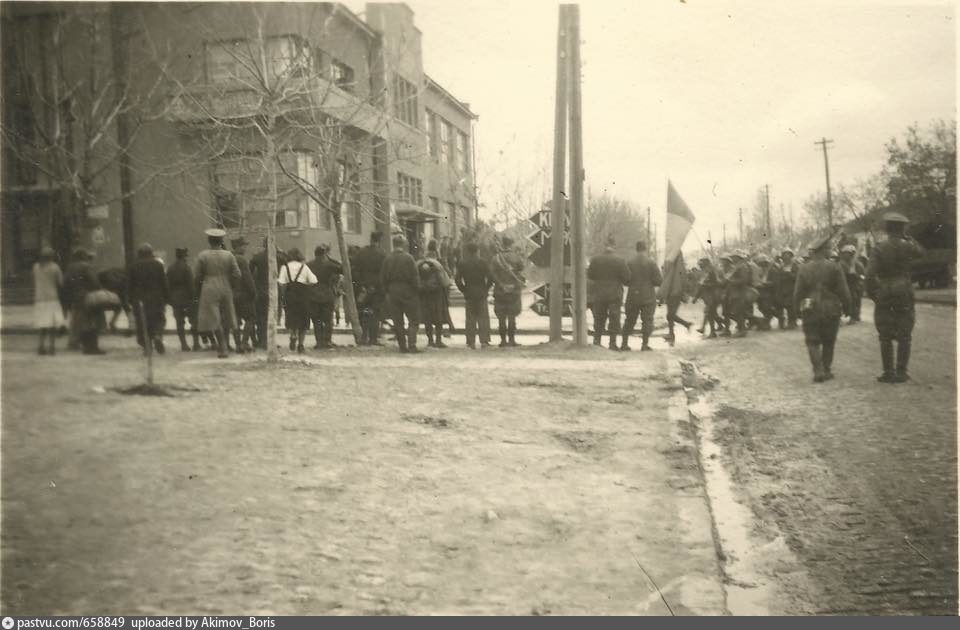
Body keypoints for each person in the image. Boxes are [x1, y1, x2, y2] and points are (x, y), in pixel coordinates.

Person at [865, 212, 924, 383]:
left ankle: (888, 372)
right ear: (902, 229)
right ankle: (902, 371)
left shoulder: (879, 248)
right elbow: (922, 252)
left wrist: (873, 294)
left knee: (885, 334)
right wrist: (909, 238)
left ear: (887, 228)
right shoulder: (908, 245)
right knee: (905, 333)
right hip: (904, 291)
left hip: (885, 291)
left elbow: (869, 275)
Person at [794, 234, 851, 383]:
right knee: (829, 340)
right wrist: (848, 306)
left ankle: (818, 370)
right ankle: (826, 369)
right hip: (831, 307)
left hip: (810, 307)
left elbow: (798, 292)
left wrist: (796, 310)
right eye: (828, 248)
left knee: (812, 340)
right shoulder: (834, 267)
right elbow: (843, 290)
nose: (830, 251)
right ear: (824, 250)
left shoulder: (803, 268)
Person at [195, 228, 241, 358]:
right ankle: (226, 343)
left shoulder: (203, 255)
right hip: (225, 285)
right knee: (227, 315)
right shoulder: (229, 255)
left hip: (209, 285)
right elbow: (237, 274)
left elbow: (197, 275)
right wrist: (232, 286)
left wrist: (199, 289)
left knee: (213, 317)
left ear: (209, 240)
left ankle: (222, 347)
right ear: (221, 241)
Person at [380, 235, 422, 353]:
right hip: (408, 290)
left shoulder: (388, 259)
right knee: (413, 319)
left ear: (394, 244)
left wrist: (387, 291)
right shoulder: (409, 258)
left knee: (398, 320)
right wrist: (417, 289)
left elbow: (382, 278)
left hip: (393, 291)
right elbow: (414, 276)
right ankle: (412, 345)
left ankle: (402, 346)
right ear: (403, 244)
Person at [587, 238, 630, 350]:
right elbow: (627, 278)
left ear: (604, 245)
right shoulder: (620, 260)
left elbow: (590, 275)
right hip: (614, 294)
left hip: (599, 293)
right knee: (614, 318)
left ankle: (597, 341)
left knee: (599, 317)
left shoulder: (595, 260)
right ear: (614, 246)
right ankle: (612, 343)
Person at [127, 242, 170, 355]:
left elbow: (130, 285)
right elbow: (163, 283)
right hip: (156, 298)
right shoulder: (158, 265)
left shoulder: (133, 266)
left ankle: (147, 347)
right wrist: (166, 297)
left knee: (142, 323)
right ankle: (157, 335)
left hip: (139, 299)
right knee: (159, 319)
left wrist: (130, 300)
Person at [63, 249, 107, 355]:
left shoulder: (70, 267)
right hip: (87, 296)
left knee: (78, 320)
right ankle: (91, 347)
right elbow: (94, 282)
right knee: (92, 321)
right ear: (83, 256)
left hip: (75, 297)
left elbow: (66, 283)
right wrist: (100, 290)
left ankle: (76, 342)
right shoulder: (86, 266)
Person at [621, 240, 662, 351]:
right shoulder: (651, 262)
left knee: (629, 320)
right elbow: (659, 281)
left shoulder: (629, 262)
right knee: (647, 320)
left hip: (633, 296)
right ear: (645, 249)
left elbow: (625, 280)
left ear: (636, 249)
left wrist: (633, 284)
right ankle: (644, 345)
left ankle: (624, 344)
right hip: (648, 296)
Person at [278, 247, 318, 353]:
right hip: (303, 296)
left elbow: (281, 283)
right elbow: (314, 280)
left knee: (291, 317)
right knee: (304, 320)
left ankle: (292, 335)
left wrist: (283, 295)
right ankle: (301, 345)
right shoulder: (304, 267)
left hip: (289, 295)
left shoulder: (284, 267)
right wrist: (307, 286)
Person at [455, 241, 493, 349]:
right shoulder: (483, 262)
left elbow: (457, 279)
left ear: (467, 251)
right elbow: (491, 278)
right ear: (477, 251)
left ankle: (471, 342)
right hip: (481, 292)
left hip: (469, 292)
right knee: (483, 317)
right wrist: (486, 288)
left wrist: (464, 290)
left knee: (470, 318)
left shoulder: (463, 263)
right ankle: (484, 341)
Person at [353, 231, 388, 345]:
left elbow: (356, 270)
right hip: (377, 289)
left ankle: (364, 337)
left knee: (364, 312)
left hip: (363, 288)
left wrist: (362, 285)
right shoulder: (382, 254)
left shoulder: (361, 252)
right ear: (379, 241)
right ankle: (373, 338)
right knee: (375, 313)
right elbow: (384, 273)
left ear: (370, 239)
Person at [490, 236, 526, 347]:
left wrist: (500, 284)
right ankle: (512, 340)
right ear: (511, 244)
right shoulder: (516, 256)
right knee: (512, 316)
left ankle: (503, 341)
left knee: (501, 317)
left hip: (500, 290)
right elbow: (521, 268)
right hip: (514, 290)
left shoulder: (495, 258)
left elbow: (492, 275)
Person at [418, 240, 452, 348]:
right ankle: (438, 340)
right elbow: (445, 281)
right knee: (438, 317)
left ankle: (430, 340)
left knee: (427, 317)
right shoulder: (438, 263)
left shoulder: (420, 262)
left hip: (424, 293)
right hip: (436, 294)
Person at [306, 244, 341, 349]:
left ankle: (319, 342)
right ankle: (327, 341)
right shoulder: (329, 264)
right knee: (328, 319)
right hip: (327, 294)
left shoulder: (308, 265)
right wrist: (330, 258)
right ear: (324, 254)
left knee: (316, 320)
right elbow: (342, 268)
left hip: (313, 295)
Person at [167, 248, 201, 351]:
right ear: (184, 256)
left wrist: (170, 300)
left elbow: (167, 285)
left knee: (179, 322)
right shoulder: (187, 268)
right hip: (187, 299)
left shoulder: (170, 268)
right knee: (194, 321)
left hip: (175, 299)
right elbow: (191, 286)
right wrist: (195, 298)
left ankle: (184, 345)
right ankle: (196, 344)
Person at [32, 246, 65, 355]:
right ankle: (51, 347)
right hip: (52, 298)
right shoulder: (55, 267)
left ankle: (40, 346)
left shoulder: (36, 267)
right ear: (52, 256)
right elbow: (61, 283)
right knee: (52, 325)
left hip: (39, 299)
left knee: (42, 325)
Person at [230, 237, 257, 353]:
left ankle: (237, 345)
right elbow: (247, 278)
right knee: (251, 318)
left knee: (235, 319)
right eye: (244, 245)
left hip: (232, 294)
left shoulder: (229, 258)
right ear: (238, 247)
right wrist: (253, 292)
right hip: (244, 294)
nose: (245, 248)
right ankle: (244, 342)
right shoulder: (242, 260)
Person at [660, 254, 693, 346]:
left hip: (675, 293)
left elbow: (683, 281)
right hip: (672, 293)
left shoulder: (678, 269)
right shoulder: (673, 269)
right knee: (670, 315)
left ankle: (686, 325)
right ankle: (672, 334)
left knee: (670, 315)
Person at [249, 238, 271, 349]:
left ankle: (261, 340)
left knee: (260, 317)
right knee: (269, 317)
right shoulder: (278, 256)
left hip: (259, 290)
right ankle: (268, 341)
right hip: (271, 292)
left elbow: (250, 272)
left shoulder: (257, 257)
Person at [725, 251, 752, 337]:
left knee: (739, 312)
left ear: (738, 258)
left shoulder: (742, 267)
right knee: (736, 312)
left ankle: (742, 330)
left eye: (734, 257)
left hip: (740, 293)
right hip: (735, 293)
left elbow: (744, 280)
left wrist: (731, 281)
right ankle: (741, 329)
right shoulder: (737, 267)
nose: (732, 258)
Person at [694, 257, 722, 338]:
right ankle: (718, 327)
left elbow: (717, 283)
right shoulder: (705, 272)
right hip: (708, 296)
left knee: (709, 313)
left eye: (701, 264)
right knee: (711, 313)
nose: (699, 266)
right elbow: (701, 286)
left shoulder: (712, 271)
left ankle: (712, 332)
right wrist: (696, 297)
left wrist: (706, 285)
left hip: (713, 295)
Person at [839, 244, 865, 324]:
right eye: (844, 253)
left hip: (855, 284)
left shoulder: (858, 264)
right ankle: (850, 315)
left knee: (855, 300)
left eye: (847, 253)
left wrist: (856, 276)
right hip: (846, 284)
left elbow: (862, 275)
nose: (845, 255)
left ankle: (855, 316)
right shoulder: (842, 264)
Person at [774, 248, 799, 330]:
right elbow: (778, 277)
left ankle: (792, 322)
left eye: (788, 255)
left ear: (791, 256)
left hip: (792, 288)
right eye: (784, 255)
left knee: (791, 306)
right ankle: (783, 322)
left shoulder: (795, 265)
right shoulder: (781, 266)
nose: (786, 257)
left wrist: (789, 274)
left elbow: (797, 277)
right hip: (783, 288)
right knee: (782, 305)